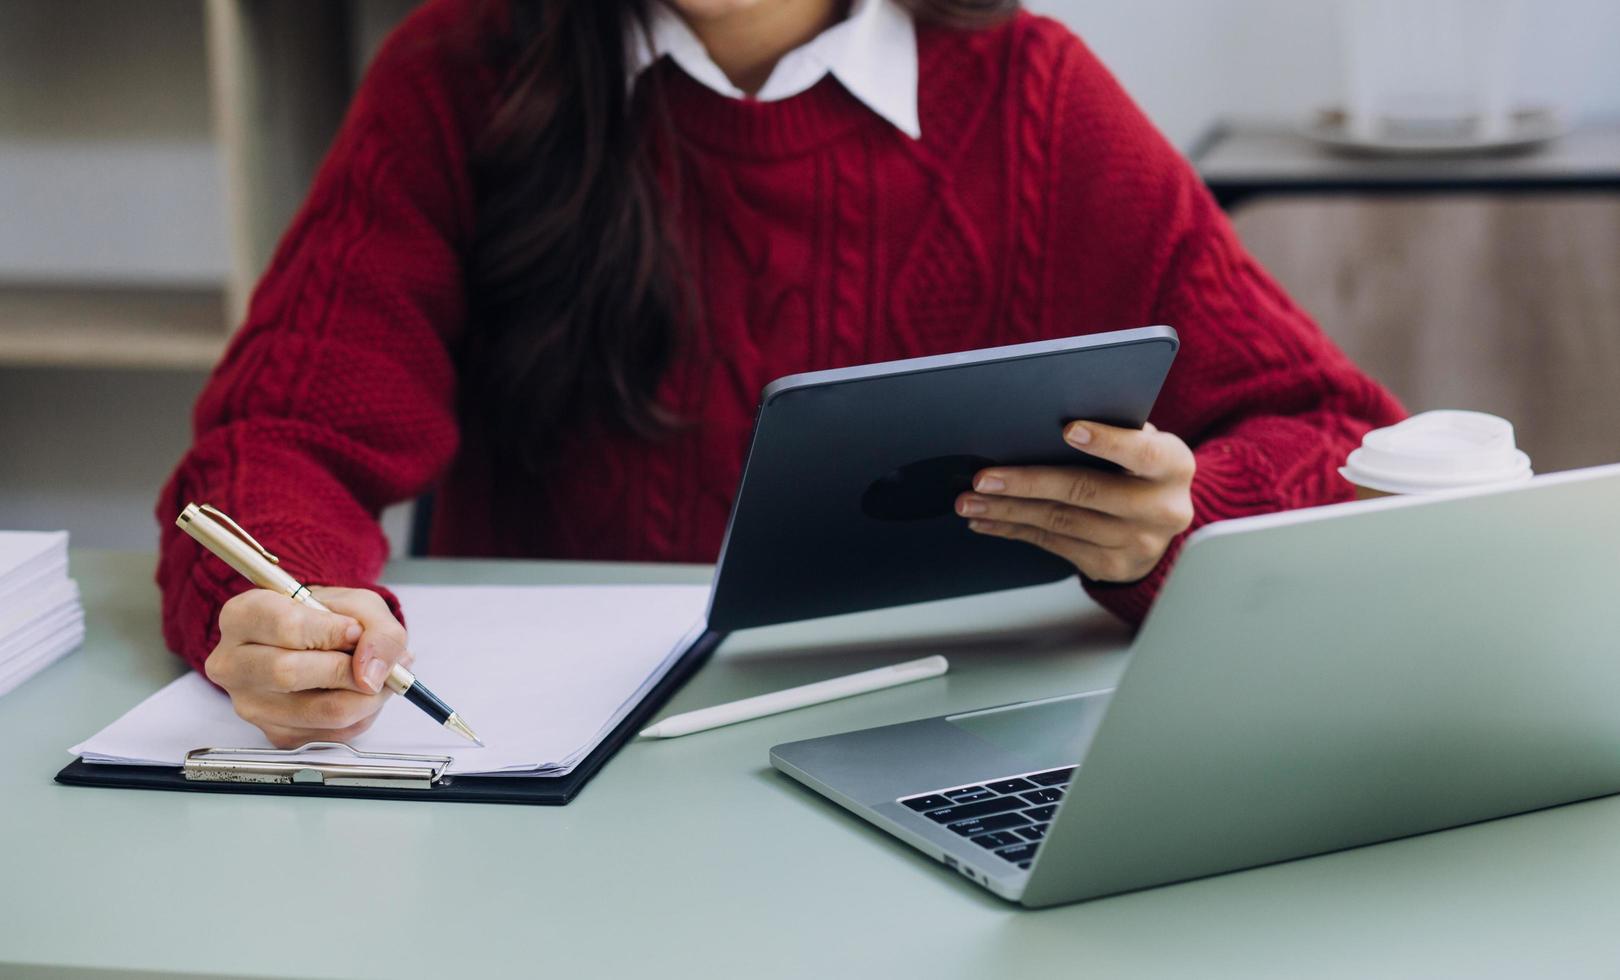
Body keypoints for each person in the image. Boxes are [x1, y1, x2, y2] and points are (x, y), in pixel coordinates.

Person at [157, 0, 1405, 747]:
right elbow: (281, 435)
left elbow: (1341, 434)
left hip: (935, 741)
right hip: (559, 769)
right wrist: (290, 608)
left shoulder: (1037, 96)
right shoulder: (460, 71)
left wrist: (1178, 522)